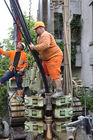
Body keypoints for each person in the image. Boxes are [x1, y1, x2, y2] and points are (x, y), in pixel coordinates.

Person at [29, 21, 63, 98]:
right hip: (46, 59)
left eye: (36, 29)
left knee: (54, 73)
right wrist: (33, 50)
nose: (35, 31)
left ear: (40, 28)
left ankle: (59, 91)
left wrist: (34, 47)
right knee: (44, 74)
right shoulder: (40, 37)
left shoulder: (45, 35)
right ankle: (47, 89)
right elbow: (40, 48)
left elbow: (45, 45)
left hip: (54, 56)